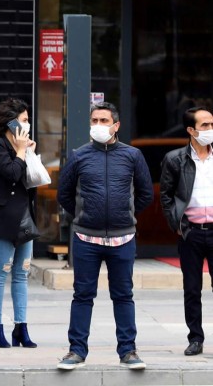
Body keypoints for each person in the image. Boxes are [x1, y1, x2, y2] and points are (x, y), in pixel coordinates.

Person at [56, 102, 153, 370]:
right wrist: (83, 215)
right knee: (82, 295)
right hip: (86, 238)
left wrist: (125, 214)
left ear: (116, 125)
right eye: (94, 120)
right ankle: (76, 351)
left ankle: (128, 351)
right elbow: (64, 194)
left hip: (123, 239)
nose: (98, 125)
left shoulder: (132, 156)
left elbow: (145, 194)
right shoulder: (79, 156)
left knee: (123, 295)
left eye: (104, 120)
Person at [0, 98, 38, 349]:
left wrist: (29, 153)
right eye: (24, 121)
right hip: (3, 219)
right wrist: (22, 151)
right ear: (11, 122)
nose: (27, 125)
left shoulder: (24, 147)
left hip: (24, 218)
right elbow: (13, 173)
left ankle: (21, 327)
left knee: (21, 274)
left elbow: (33, 180)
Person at [160, 107, 213, 357]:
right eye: (204, 126)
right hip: (191, 232)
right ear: (191, 130)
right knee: (192, 289)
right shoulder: (175, 159)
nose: (210, 130)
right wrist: (179, 227)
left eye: (212, 124)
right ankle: (195, 338)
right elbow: (166, 196)